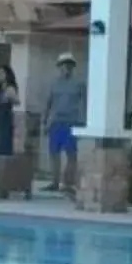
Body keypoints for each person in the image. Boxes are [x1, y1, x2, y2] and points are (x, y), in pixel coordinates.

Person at [42, 53, 89, 194]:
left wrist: (84, 121)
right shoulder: (54, 83)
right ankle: (54, 182)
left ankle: (68, 183)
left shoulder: (79, 84)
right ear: (59, 67)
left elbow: (85, 103)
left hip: (72, 122)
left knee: (71, 154)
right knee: (54, 153)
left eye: (69, 65)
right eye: (64, 64)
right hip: (56, 121)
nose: (66, 67)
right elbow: (48, 103)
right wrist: (45, 121)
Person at [0, 64, 21, 159]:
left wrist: (9, 97)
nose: (0, 75)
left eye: (2, 73)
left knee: (5, 138)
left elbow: (17, 101)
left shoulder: (10, 88)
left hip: (6, 114)